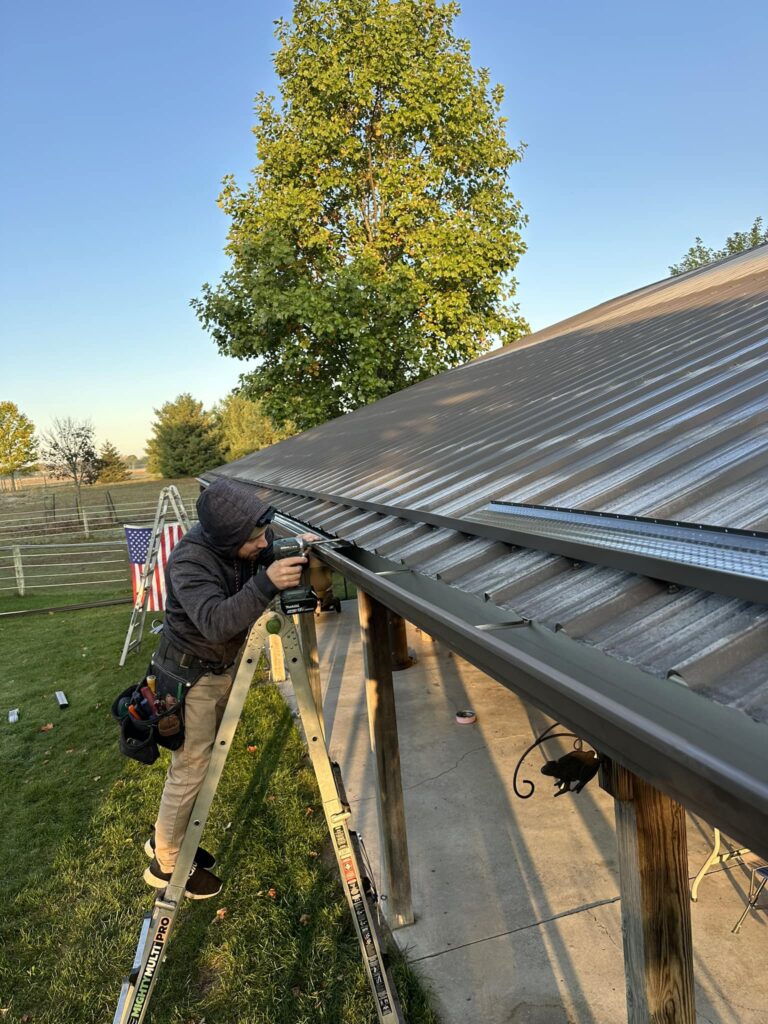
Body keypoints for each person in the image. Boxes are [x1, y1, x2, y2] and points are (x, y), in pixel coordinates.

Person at [143, 477, 310, 899]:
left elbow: (260, 552)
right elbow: (216, 621)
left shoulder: (236, 543)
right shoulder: (189, 562)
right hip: (189, 676)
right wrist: (267, 582)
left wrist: (289, 548)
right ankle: (166, 863)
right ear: (226, 539)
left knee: (194, 765)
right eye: (255, 538)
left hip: (215, 668)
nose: (263, 543)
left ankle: (167, 837)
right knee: (191, 766)